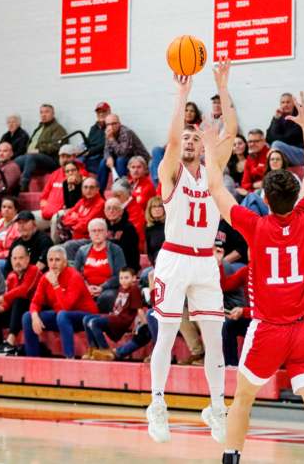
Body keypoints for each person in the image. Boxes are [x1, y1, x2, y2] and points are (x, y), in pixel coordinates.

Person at [202, 91, 304, 464]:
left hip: (268, 330)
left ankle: (231, 456)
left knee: (243, 399)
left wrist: (212, 150)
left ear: (265, 197)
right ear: (296, 197)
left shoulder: (255, 226)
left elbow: (216, 189)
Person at [146, 60, 238, 445]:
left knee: (215, 338)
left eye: (194, 138)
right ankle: (157, 405)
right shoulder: (170, 172)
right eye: (185, 137)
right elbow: (169, 143)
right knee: (166, 335)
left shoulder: (212, 171)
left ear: (204, 147)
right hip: (173, 259)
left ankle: (216, 407)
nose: (187, 141)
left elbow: (230, 132)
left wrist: (223, 85)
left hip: (205, 262)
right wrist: (181, 96)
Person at [22, 246, 98, 358]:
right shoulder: (45, 278)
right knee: (27, 317)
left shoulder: (74, 276)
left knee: (62, 315)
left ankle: (69, 357)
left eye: (57, 260)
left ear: (65, 262)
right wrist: (34, 316)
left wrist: (55, 285)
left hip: (85, 317)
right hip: (62, 317)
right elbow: (35, 302)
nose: (53, 264)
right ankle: (33, 359)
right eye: (51, 260)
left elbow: (66, 306)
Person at [0, 245, 41, 356]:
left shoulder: (34, 270)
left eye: (21, 258)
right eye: (15, 259)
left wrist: (0, 298)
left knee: (19, 300)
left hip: (35, 310)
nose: (17, 262)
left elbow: (24, 290)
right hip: (18, 312)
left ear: (28, 259)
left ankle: (10, 343)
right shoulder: (11, 276)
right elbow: (8, 303)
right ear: (11, 260)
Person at [83, 267, 143, 360]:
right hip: (114, 316)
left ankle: (105, 351)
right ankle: (93, 349)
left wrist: (143, 323)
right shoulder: (121, 288)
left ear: (134, 278)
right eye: (121, 278)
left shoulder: (134, 289)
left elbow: (139, 309)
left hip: (122, 320)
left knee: (94, 323)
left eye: (126, 278)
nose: (123, 281)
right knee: (86, 319)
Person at [73, 218, 127, 313]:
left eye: (100, 230)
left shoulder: (115, 250)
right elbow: (75, 273)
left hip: (109, 289)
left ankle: (98, 321)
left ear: (106, 233)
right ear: (89, 234)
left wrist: (102, 287)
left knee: (106, 297)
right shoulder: (82, 251)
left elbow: (120, 275)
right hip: (86, 288)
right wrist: (86, 287)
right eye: (94, 231)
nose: (97, 233)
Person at [16, 103, 68, 191]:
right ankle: (11, 185)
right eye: (41, 112)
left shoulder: (58, 128)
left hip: (51, 159)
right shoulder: (39, 128)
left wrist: (39, 150)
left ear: (53, 114)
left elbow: (57, 146)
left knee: (32, 157)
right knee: (14, 162)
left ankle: (23, 185)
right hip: (32, 156)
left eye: (47, 112)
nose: (43, 114)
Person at [149, 101, 203, 185]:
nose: (188, 113)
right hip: (174, 151)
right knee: (155, 151)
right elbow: (171, 142)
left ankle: (161, 182)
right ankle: (159, 180)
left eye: (192, 111)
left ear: (196, 114)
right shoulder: (179, 125)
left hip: (184, 153)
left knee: (152, 164)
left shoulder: (198, 127)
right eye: (186, 110)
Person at [35, 145, 88, 226]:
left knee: (56, 218)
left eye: (68, 156)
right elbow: (43, 197)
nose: (65, 160)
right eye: (62, 157)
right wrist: (46, 209)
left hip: (63, 214)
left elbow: (75, 202)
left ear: (74, 157)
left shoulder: (81, 174)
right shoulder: (55, 174)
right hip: (46, 213)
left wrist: (56, 210)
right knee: (24, 218)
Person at [98, 113, 150, 192]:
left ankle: (123, 189)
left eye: (113, 123)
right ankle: (100, 192)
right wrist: (108, 157)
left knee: (120, 160)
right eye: (108, 124)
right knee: (103, 162)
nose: (111, 127)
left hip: (138, 158)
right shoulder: (108, 132)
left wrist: (111, 139)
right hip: (124, 158)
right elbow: (106, 149)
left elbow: (123, 152)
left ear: (119, 124)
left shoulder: (126, 132)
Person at [53, 176, 104, 244]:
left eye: (91, 187)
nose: (88, 190)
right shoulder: (81, 201)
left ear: (97, 189)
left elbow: (85, 226)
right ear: (82, 189)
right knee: (59, 217)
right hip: (74, 237)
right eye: (85, 187)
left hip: (89, 240)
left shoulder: (101, 204)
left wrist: (76, 217)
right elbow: (65, 217)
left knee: (64, 247)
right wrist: (79, 219)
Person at [266, 93, 304, 166]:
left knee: (276, 144)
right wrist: (276, 119)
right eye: (283, 102)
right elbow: (268, 138)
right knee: (267, 145)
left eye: (288, 102)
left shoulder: (300, 116)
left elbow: (290, 138)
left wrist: (275, 138)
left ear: (293, 103)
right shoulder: (279, 117)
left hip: (301, 153)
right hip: (284, 152)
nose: (285, 105)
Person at [103, 196, 141, 271]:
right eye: (108, 208)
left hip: (125, 268)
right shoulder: (102, 226)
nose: (111, 211)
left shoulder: (129, 228)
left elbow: (128, 254)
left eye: (115, 208)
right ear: (104, 211)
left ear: (121, 211)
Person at [239, 129, 269, 195]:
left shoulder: (271, 155)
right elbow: (244, 184)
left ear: (264, 141)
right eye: (250, 141)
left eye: (256, 141)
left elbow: (271, 181)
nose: (252, 144)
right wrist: (253, 185)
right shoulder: (249, 158)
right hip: (252, 192)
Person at [83, 101, 111, 174]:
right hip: (90, 154)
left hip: (102, 155)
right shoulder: (93, 128)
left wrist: (89, 152)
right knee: (73, 160)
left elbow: (106, 144)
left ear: (109, 112)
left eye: (104, 111)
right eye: (99, 112)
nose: (101, 114)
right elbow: (89, 142)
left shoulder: (112, 126)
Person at [144, 196, 166, 267]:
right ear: (149, 210)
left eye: (160, 206)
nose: (157, 209)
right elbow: (149, 252)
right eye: (154, 207)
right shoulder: (148, 228)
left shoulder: (169, 225)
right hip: (155, 264)